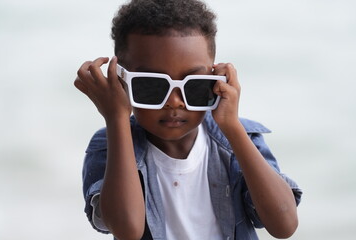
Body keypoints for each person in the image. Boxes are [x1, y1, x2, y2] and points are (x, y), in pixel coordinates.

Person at [74, 0, 302, 239]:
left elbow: (284, 225)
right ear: (121, 81)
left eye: (193, 85)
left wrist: (232, 127)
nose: (174, 101)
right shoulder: (109, 145)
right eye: (151, 85)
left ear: (215, 80)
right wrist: (116, 118)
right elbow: (126, 230)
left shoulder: (240, 140)